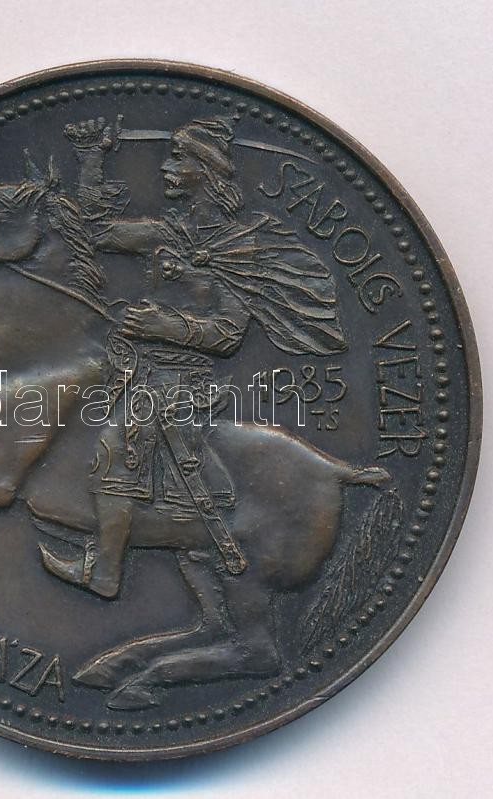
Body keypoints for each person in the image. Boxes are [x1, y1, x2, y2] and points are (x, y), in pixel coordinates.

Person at [39, 115, 346, 597]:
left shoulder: (242, 249)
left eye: (178, 158)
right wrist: (92, 157)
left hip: (182, 384)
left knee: (118, 444)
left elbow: (227, 336)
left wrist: (165, 326)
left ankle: (106, 573)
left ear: (206, 170)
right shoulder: (166, 231)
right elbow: (94, 231)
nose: (166, 167)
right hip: (134, 371)